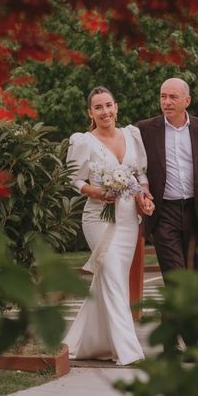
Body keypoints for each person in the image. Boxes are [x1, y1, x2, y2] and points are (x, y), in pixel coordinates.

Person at [62, 86, 155, 366]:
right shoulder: (83, 142)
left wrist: (145, 196)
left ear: (117, 107)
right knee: (113, 277)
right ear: (90, 113)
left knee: (109, 281)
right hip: (98, 219)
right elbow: (74, 180)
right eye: (98, 107)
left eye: (109, 105)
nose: (105, 111)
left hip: (128, 220)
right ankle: (128, 351)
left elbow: (140, 173)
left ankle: (89, 343)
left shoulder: (131, 135)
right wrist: (97, 192)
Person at [137, 77, 198, 277]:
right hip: (163, 213)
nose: (167, 102)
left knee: (193, 274)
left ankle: (184, 309)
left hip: (196, 213)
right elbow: (134, 167)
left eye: (173, 97)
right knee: (176, 275)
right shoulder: (144, 130)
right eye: (163, 97)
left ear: (187, 101)